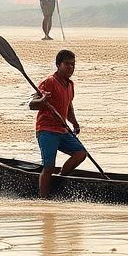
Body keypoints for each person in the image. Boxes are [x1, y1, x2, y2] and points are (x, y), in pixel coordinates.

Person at [29, 49, 86, 197]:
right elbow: (32, 104)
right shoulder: (49, 82)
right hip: (47, 130)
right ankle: (44, 200)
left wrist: (75, 123)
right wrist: (42, 100)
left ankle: (59, 179)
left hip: (62, 130)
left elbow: (68, 106)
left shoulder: (70, 85)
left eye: (73, 65)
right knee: (48, 167)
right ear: (58, 65)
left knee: (80, 153)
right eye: (67, 64)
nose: (71, 68)